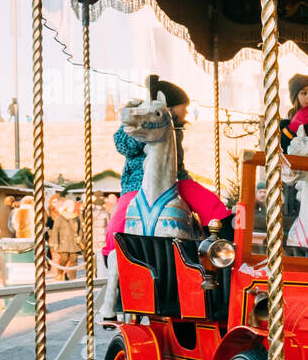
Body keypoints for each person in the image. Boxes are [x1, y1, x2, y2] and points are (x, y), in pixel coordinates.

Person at [104, 76, 233, 257]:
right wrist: (137, 126)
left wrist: (187, 179)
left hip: (175, 179)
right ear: (171, 105)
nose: (187, 111)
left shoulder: (175, 129)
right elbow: (124, 146)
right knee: (118, 222)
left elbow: (178, 163)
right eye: (184, 106)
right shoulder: (143, 118)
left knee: (211, 205)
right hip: (139, 183)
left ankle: (222, 249)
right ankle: (112, 256)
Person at [50, 197, 81, 280]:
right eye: (71, 206)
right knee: (64, 258)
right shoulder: (60, 218)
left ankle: (72, 277)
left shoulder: (76, 217)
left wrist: (80, 237)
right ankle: (60, 273)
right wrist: (55, 242)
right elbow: (55, 230)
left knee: (74, 259)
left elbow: (79, 229)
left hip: (73, 242)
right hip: (63, 242)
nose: (73, 208)